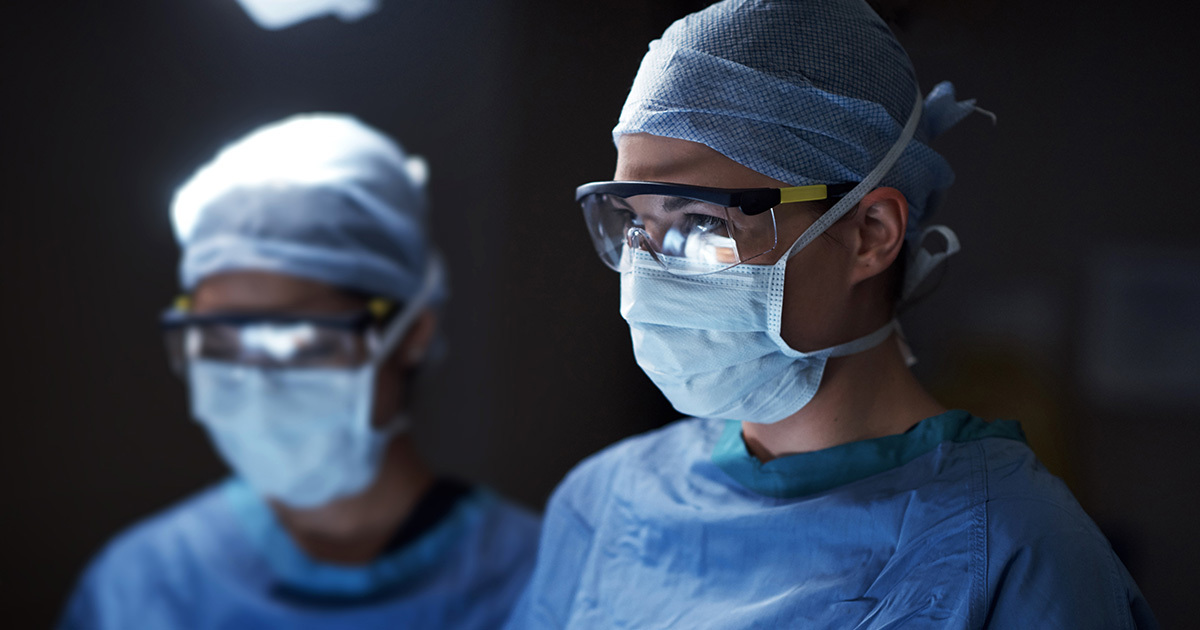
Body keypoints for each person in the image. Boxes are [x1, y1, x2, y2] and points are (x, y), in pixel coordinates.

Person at [508, 1, 1157, 628]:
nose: (651, 273)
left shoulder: (1018, 554)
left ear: (870, 232)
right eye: (635, 224)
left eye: (702, 223)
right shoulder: (604, 505)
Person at [60, 113, 539, 629]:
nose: (254, 377)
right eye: (217, 338)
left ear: (413, 331)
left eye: (296, 337)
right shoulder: (142, 588)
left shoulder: (536, 579)